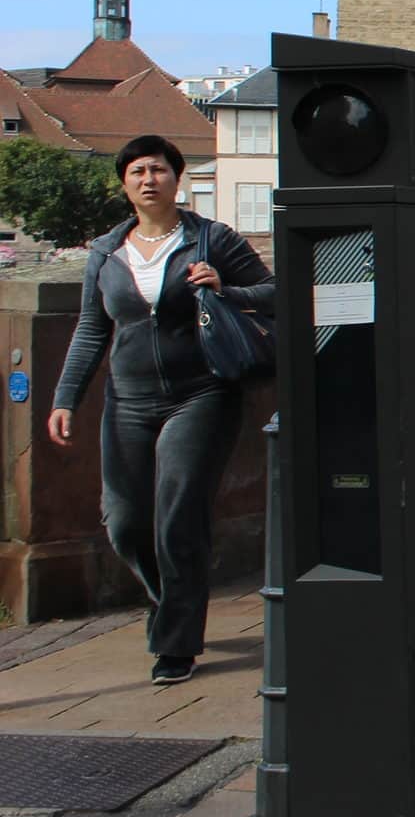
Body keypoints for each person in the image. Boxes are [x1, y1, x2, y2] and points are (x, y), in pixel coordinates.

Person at [46, 135, 273, 686]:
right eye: (137, 172)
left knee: (177, 517)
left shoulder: (210, 239)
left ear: (178, 179)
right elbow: (91, 330)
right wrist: (64, 398)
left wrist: (229, 289)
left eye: (159, 170)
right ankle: (170, 600)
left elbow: (277, 290)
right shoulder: (106, 252)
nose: (149, 179)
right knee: (124, 523)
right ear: (124, 184)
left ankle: (175, 642)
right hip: (128, 399)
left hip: (201, 393)